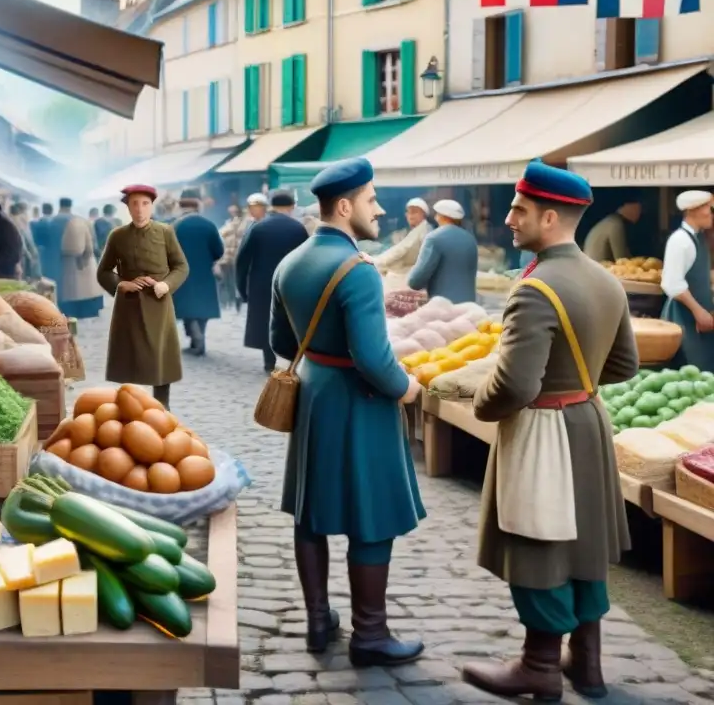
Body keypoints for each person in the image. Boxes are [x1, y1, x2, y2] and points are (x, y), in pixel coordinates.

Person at [461, 160, 637, 700]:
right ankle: (586, 662)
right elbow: (625, 365)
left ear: (551, 217)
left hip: (543, 429)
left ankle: (539, 665)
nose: (509, 218)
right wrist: (576, 382)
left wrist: (478, 403)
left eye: (519, 209)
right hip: (587, 421)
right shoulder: (606, 279)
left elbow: (514, 385)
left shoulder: (535, 288)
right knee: (581, 546)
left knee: (536, 545)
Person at [270, 158, 425, 668]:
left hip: (315, 393)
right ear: (344, 206)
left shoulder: (290, 263)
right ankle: (371, 635)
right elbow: (374, 359)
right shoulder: (358, 271)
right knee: (371, 516)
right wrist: (406, 389)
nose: (380, 209)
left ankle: (318, 620)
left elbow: (279, 342)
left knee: (310, 512)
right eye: (371, 200)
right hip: (361, 401)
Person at [97, 185, 189, 409]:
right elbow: (103, 271)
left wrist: (166, 285)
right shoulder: (117, 235)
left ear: (152, 206)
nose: (139, 209)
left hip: (158, 303)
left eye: (145, 204)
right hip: (129, 306)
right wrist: (122, 284)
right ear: (127, 207)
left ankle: (162, 406)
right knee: (131, 355)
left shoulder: (165, 232)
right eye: (134, 204)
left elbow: (181, 266)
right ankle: (131, 406)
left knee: (160, 354)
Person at [237, 189, 309, 373]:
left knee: (265, 320)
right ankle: (290, 360)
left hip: (261, 284)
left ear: (271, 206)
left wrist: (242, 288)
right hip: (291, 282)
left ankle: (269, 361)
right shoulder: (298, 229)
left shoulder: (258, 227)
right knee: (288, 320)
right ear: (292, 206)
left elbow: (242, 260)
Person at [660, 189, 714, 371]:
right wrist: (699, 312)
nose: (711, 213)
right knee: (687, 369)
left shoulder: (698, 238)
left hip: (697, 317)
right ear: (692, 210)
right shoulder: (680, 240)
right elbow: (672, 283)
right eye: (708, 208)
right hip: (683, 316)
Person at [172, 188, 224, 356]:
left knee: (187, 306)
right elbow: (219, 250)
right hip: (204, 272)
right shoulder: (208, 225)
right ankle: (198, 337)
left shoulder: (175, 226)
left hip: (182, 272)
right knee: (202, 306)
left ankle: (196, 337)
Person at [407, 200, 479, 303]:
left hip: (444, 308)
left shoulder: (434, 238)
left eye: (437, 214)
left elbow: (415, 281)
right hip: (469, 306)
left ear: (440, 217)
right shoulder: (470, 240)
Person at [50, 197, 104, 319]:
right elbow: (92, 244)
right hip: (82, 263)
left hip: (60, 263)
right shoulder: (81, 221)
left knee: (66, 290)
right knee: (83, 289)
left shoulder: (52, 221)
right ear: (70, 206)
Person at [373, 197, 432, 274]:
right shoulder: (410, 231)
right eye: (409, 212)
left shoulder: (425, 230)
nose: (410, 215)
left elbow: (399, 250)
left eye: (414, 212)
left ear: (423, 214)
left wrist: (376, 261)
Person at [583, 196, 642, 262]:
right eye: (639, 209)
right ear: (628, 207)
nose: (639, 214)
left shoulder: (609, 221)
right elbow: (621, 259)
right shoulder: (616, 224)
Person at [217, 203, 246, 310]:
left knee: (236, 279)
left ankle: (237, 299)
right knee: (225, 280)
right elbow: (221, 235)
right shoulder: (227, 223)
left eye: (234, 211)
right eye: (231, 211)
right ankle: (227, 301)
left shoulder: (244, 223)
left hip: (238, 255)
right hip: (227, 255)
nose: (232, 213)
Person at [8, 201, 41, 281]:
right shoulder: (19, 223)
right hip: (22, 260)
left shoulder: (22, 224)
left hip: (23, 259)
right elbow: (23, 244)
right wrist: (30, 255)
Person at [34, 203, 60, 283]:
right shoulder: (55, 222)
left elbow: (35, 238)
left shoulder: (38, 222)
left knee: (45, 273)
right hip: (55, 251)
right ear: (52, 211)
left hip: (42, 251)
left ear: (43, 210)